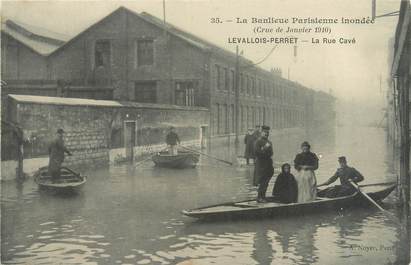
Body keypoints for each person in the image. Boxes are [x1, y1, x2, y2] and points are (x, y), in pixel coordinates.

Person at [254, 125, 274, 203]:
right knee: (262, 181)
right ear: (261, 133)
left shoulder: (269, 142)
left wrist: (265, 151)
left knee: (266, 182)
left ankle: (263, 196)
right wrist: (265, 148)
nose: (266, 134)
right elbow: (257, 153)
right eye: (264, 132)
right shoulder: (258, 141)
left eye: (267, 132)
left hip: (268, 164)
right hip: (261, 164)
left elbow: (271, 153)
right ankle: (260, 197)